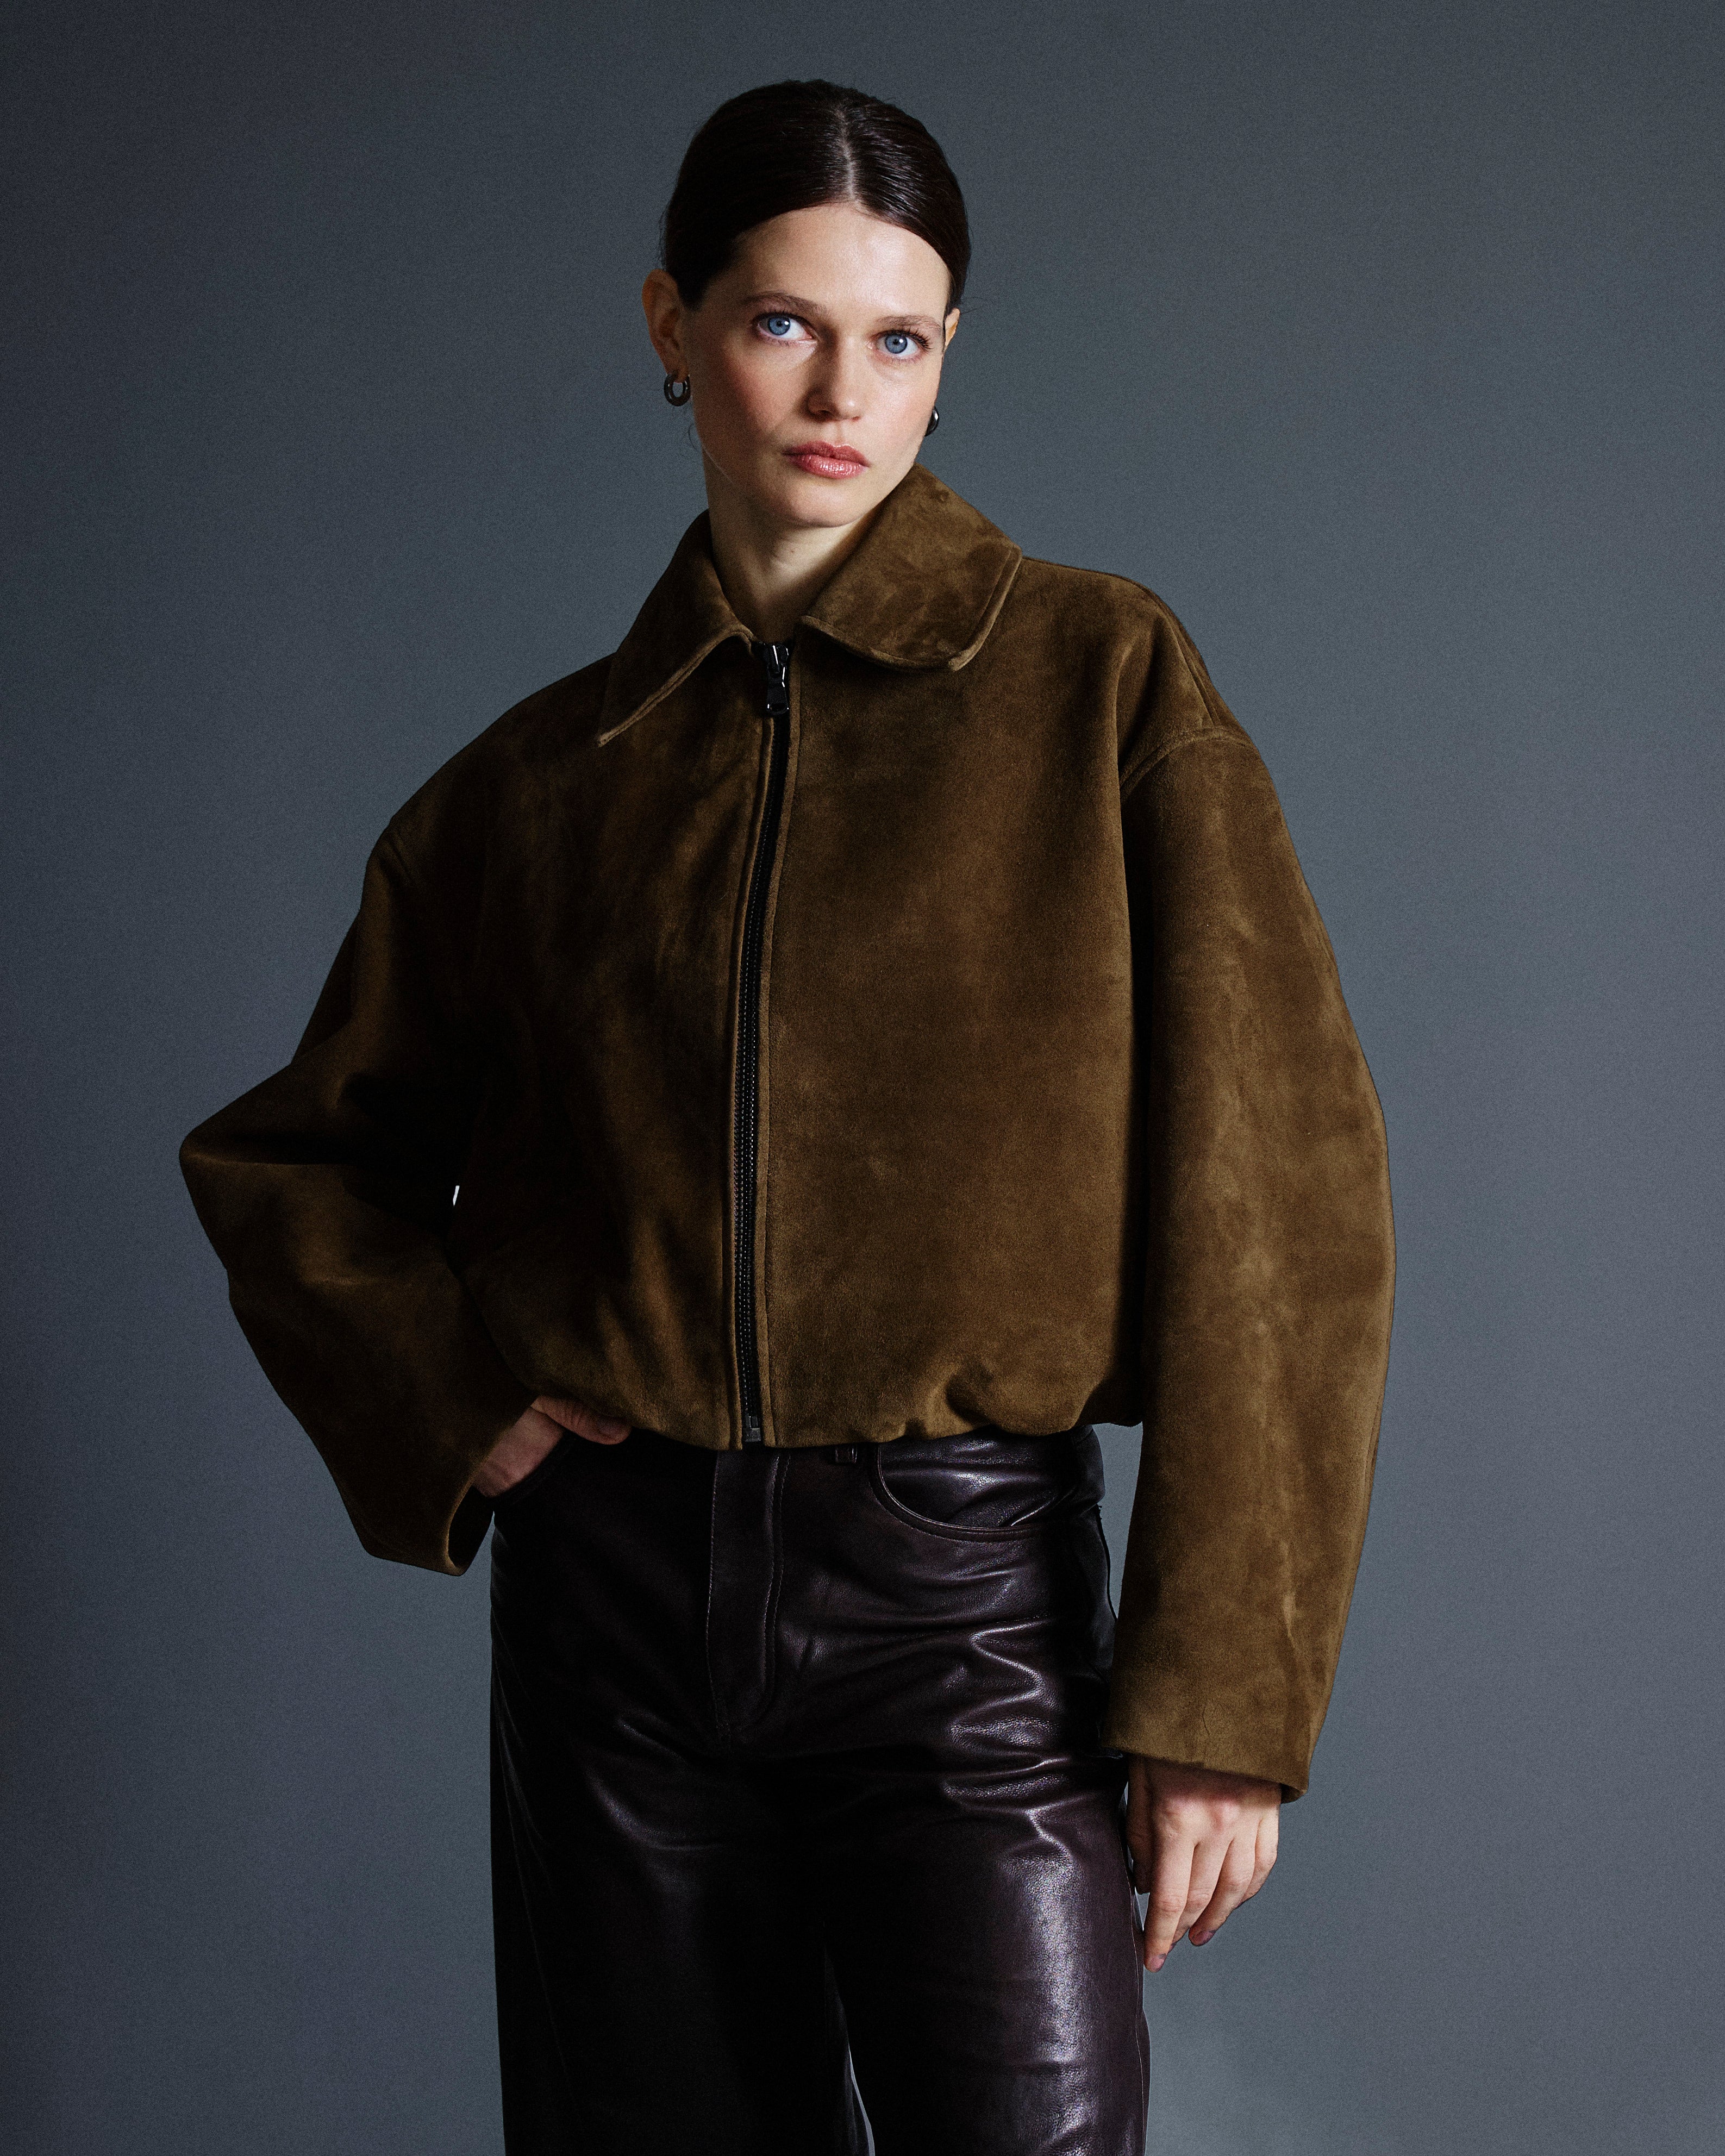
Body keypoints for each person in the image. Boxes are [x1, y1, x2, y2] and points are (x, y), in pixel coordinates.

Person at [180, 78, 1395, 2156]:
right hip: (617, 1646)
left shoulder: (1102, 685)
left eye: (898, 338)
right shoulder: (541, 785)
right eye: (780, 324)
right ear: (673, 325)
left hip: (966, 1623)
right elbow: (297, 1161)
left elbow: (1283, 1207)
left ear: (946, 357)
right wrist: (460, 1400)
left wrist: (1220, 1700)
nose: (844, 393)